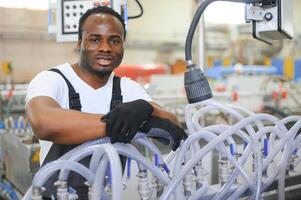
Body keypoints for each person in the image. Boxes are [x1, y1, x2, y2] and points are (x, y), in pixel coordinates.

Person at [25, 6, 187, 199]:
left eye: (114, 41)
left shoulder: (126, 88)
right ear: (79, 43)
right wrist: (116, 125)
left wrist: (147, 107)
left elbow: (173, 130)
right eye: (95, 39)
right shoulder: (54, 79)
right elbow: (44, 122)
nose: (105, 48)